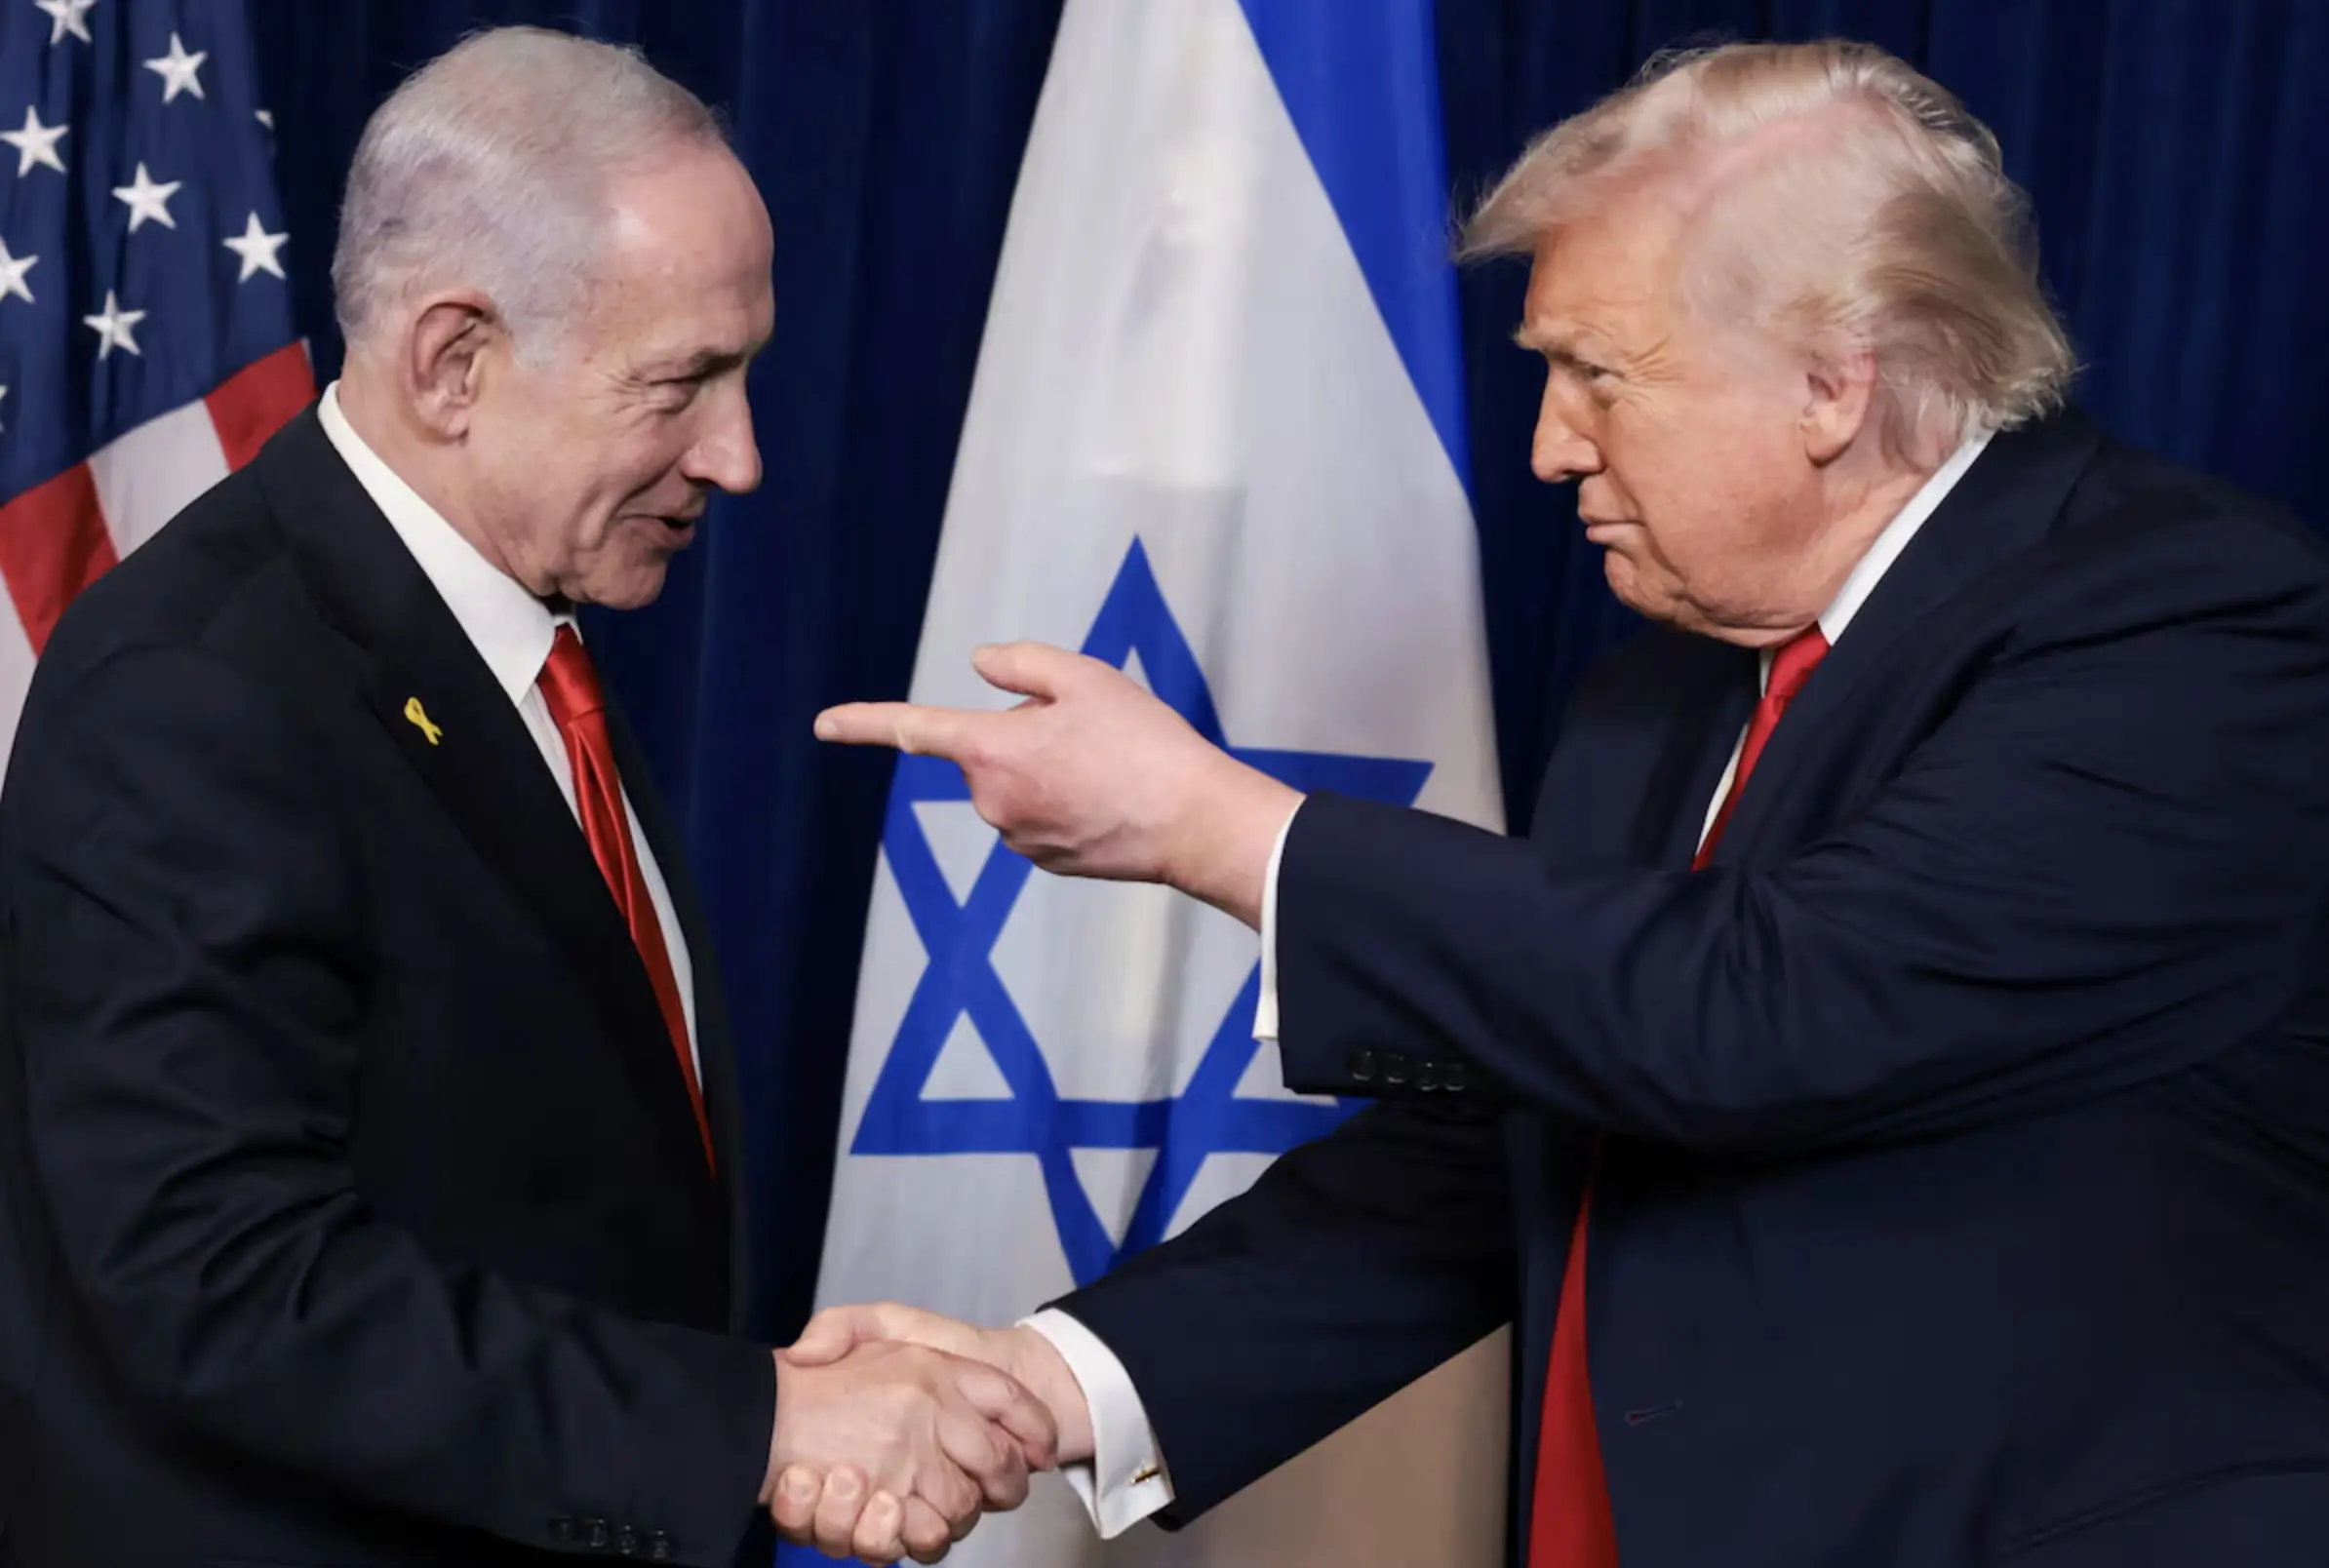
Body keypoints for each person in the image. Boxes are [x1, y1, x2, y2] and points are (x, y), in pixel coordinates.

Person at [794, 38, 2329, 1568]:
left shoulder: (2186, 625)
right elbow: (1503, 1156)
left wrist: (1227, 832)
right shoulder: (1654, 699)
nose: (1546, 444)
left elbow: (1769, 1013)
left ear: (1830, 383)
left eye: (1598, 373)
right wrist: (1046, 1383)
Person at [0, 28, 1052, 1568]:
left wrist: (745, 1399)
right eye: (684, 382)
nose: (741, 456)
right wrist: (749, 1426)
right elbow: (217, 1284)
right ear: (454, 364)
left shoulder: (502, 625)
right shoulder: (197, 689)